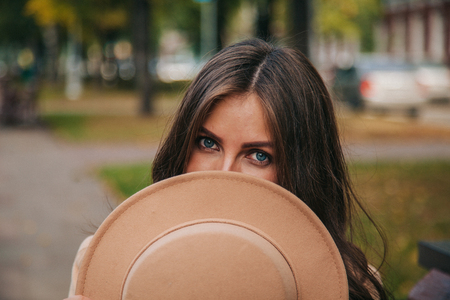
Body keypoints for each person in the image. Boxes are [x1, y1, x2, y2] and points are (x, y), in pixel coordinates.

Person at [66, 39, 389, 300]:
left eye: (258, 156)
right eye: (208, 143)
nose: (224, 173)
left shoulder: (353, 287)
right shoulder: (104, 262)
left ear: (303, 171)